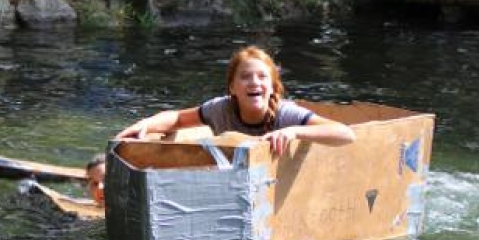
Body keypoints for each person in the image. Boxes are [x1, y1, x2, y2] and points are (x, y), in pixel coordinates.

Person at [115, 46, 356, 156]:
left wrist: (293, 132)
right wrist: (145, 125)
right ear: (232, 87)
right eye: (245, 77)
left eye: (262, 77)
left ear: (272, 87)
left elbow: (345, 134)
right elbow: (177, 117)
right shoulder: (221, 109)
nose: (254, 83)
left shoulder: (286, 114)